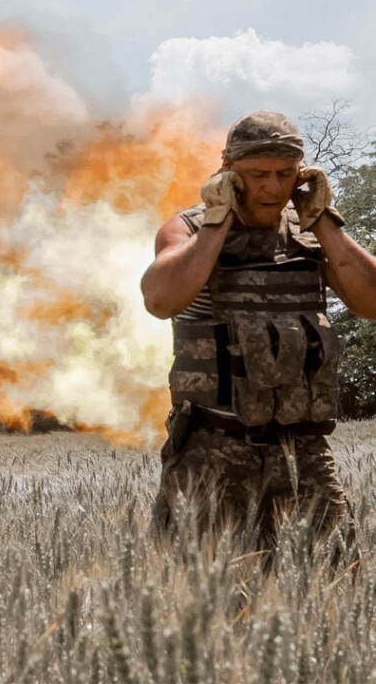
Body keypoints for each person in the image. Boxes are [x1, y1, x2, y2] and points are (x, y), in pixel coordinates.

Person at [141, 110, 376, 555]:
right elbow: (161, 300)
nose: (272, 187)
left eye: (285, 174)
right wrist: (217, 222)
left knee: (331, 588)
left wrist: (323, 218)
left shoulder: (312, 233)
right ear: (229, 170)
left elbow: (370, 302)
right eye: (258, 174)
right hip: (214, 447)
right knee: (203, 600)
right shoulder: (189, 229)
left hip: (304, 451)